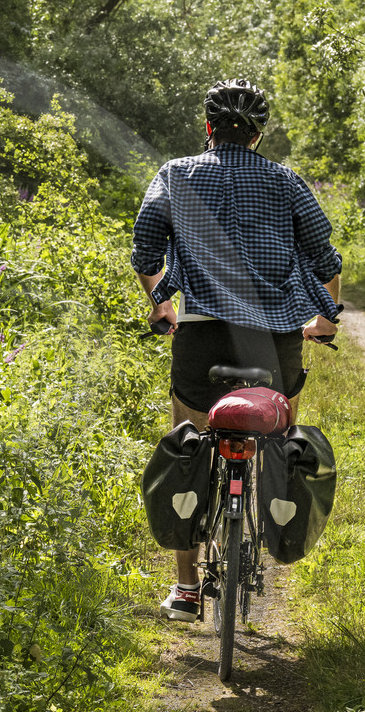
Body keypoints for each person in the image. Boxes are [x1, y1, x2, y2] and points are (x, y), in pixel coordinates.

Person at [131, 78, 342, 621]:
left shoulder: (176, 175)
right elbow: (324, 257)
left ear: (208, 128)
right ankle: (273, 518)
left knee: (189, 442)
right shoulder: (286, 181)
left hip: (200, 335)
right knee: (280, 434)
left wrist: (161, 305)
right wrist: (324, 321)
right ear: (257, 134)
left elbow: (146, 248)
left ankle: (185, 587)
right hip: (274, 339)